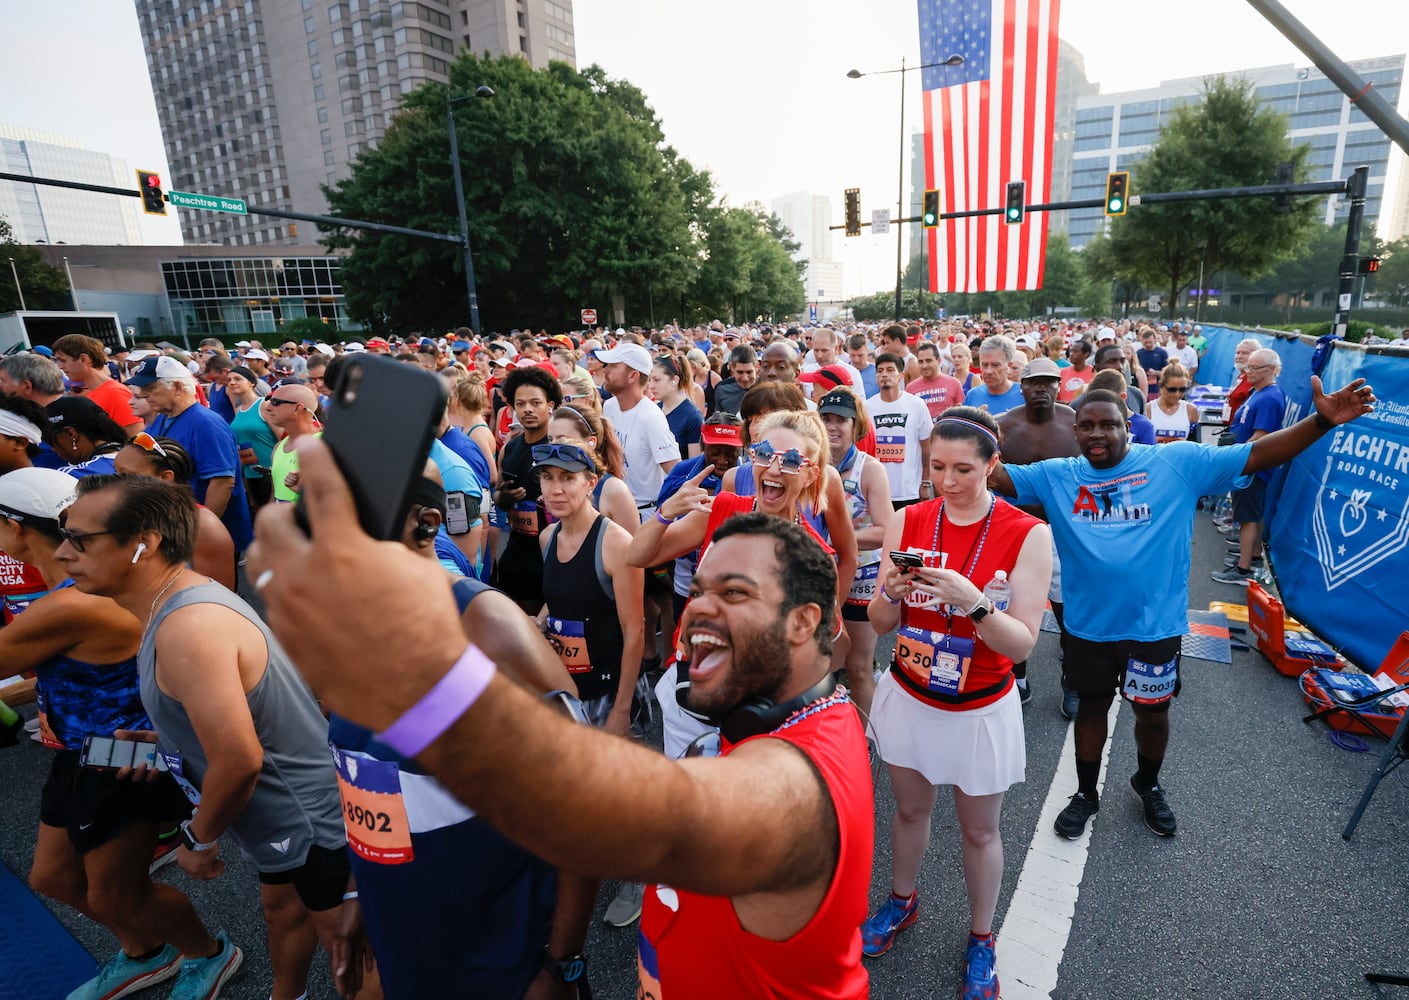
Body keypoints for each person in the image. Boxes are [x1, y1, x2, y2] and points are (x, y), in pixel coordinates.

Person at [248, 452, 875, 997]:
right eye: (702, 588)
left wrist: (409, 678)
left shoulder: (798, 783)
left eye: (734, 594)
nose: (699, 610)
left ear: (803, 622)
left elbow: (609, 811)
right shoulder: (761, 728)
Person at [989, 375, 1377, 841]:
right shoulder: (1057, 475)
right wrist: (958, 430)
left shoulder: (1177, 463)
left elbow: (1258, 454)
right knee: (1091, 708)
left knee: (1152, 712)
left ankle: (1147, 784)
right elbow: (991, 472)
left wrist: (1322, 421)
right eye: (1086, 426)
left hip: (1155, 628)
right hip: (1087, 627)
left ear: (1129, 426)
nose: (1096, 434)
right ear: (1075, 431)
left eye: (1107, 425)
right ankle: (1086, 795)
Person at [61, 475, 354, 1000]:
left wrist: (198, 838)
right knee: (283, 909)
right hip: (288, 817)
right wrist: (166, 736)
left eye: (80, 540)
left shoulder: (187, 627)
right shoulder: (176, 600)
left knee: (349, 953)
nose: (63, 553)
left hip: (310, 821)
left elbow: (240, 758)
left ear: (142, 546)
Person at [323, 468, 575, 999]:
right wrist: (357, 895)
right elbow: (371, 776)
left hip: (495, 953)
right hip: (400, 932)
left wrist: (558, 967)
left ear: (427, 524)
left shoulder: (490, 632)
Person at [862, 408, 1050, 998]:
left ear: (993, 466)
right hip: (912, 692)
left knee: (979, 832)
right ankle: (900, 902)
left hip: (979, 706)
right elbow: (880, 621)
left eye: (963, 469)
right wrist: (889, 594)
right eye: (936, 466)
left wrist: (974, 603)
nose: (947, 480)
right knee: (910, 810)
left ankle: (981, 938)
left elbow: (1022, 643)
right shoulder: (910, 520)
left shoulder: (1026, 532)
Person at [996, 358, 1078, 710]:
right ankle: (1018, 677)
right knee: (1014, 603)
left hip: (1064, 528)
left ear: (1059, 386)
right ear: (1022, 386)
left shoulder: (1076, 423)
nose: (1041, 389)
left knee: (1069, 608)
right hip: (1016, 530)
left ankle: (1073, 678)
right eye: (1034, 382)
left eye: (1049, 382)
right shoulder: (1005, 426)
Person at [128, 355, 253, 553]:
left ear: (177, 387)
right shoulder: (163, 418)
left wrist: (200, 532)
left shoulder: (206, 424)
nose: (144, 394)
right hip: (179, 525)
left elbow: (222, 481)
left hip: (206, 534)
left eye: (150, 388)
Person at [818, 389, 892, 718]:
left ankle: (868, 741)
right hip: (820, 577)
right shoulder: (811, 463)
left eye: (841, 421)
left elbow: (885, 530)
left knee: (859, 666)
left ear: (855, 425)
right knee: (820, 666)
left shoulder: (869, 469)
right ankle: (825, 737)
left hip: (862, 577)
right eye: (826, 419)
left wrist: (837, 542)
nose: (833, 427)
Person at [112, 435, 237, 591]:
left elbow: (219, 603)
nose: (117, 484)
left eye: (126, 476)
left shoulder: (203, 526)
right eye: (116, 474)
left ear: (165, 478)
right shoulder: (127, 516)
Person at [1213, 350, 1288, 587]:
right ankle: (1253, 555)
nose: (1248, 372)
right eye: (1248, 367)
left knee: (1247, 517)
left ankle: (1243, 569)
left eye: (1254, 367)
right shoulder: (1261, 393)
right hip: (1250, 462)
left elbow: (1260, 436)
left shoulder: (1269, 398)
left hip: (1251, 464)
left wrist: (1234, 459)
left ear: (1270, 369)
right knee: (1252, 514)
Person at [495, 365, 562, 613]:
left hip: (552, 552)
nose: (528, 410)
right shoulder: (510, 449)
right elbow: (498, 495)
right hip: (516, 551)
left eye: (535, 403)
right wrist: (502, 497)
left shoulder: (559, 449)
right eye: (520, 404)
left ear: (550, 405)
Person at [867, 353, 935, 508]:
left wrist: (925, 482)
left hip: (910, 490)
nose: (884, 374)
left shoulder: (916, 405)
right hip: (878, 491)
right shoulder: (866, 408)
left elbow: (927, 447)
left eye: (890, 370)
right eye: (880, 370)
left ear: (900, 376)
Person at [52, 335, 143, 436]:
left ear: (84, 359)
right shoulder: (96, 392)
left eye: (63, 361)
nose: (60, 366)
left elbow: (135, 438)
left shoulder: (115, 393)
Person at [225, 365, 279, 510]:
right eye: (229, 380)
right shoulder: (239, 409)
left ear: (251, 383)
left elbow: (282, 437)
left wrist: (277, 466)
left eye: (237, 379)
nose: (231, 382)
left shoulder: (264, 405)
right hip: (250, 473)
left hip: (270, 472)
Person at [266, 382, 322, 504]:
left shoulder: (323, 444)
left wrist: (304, 492)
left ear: (298, 408)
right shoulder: (279, 447)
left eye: (275, 402)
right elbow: (275, 495)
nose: (268, 407)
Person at [46, 397, 130, 478]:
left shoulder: (71, 475)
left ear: (70, 434)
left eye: (49, 439)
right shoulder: (137, 459)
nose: (52, 448)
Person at [649, 355, 703, 460]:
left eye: (657, 380)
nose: (651, 385)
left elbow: (694, 464)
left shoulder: (692, 416)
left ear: (675, 380)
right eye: (650, 380)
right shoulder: (654, 410)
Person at [905, 342, 965, 421]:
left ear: (939, 361)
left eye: (928, 361)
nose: (924, 366)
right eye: (920, 362)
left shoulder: (954, 383)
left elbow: (963, 413)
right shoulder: (910, 388)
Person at [964, 337, 1024, 415]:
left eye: (995, 365)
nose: (989, 371)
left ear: (1009, 366)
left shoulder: (1024, 395)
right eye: (985, 365)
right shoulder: (972, 395)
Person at [1148, 362, 1198, 445]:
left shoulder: (1191, 410)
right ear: (1161, 386)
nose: (1177, 394)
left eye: (1182, 389)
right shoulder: (1148, 410)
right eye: (1172, 390)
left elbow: (1196, 446)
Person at [712, 345, 758, 416]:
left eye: (749, 372)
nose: (745, 378)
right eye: (740, 372)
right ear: (732, 368)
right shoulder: (721, 388)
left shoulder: (767, 388)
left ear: (757, 367)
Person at [1135, 328, 1168, 401]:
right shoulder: (1139, 353)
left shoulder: (1162, 353)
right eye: (1146, 342)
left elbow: (1167, 372)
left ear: (1155, 340)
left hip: (1157, 388)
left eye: (1150, 342)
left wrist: (1156, 372)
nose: (1148, 345)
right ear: (1142, 341)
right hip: (1142, 387)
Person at [1058, 340, 1095, 404]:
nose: (1071, 354)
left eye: (1076, 352)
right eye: (1071, 351)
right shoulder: (1063, 372)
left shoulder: (1093, 373)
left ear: (1086, 354)